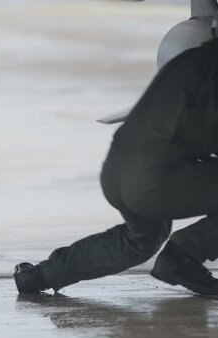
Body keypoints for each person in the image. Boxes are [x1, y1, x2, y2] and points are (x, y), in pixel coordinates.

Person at [15, 36, 218, 296]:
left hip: (116, 170)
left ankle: (41, 276)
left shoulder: (187, 60)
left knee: (139, 240)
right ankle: (184, 254)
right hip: (157, 178)